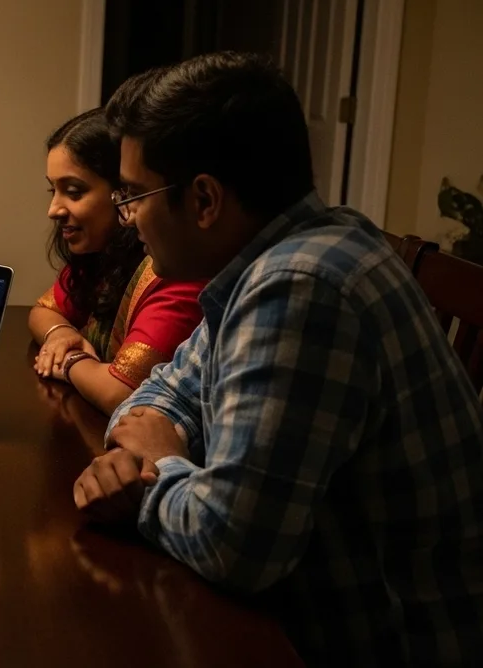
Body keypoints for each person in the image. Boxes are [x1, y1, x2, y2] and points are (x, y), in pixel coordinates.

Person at [73, 52, 483, 666]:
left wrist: (155, 467)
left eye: (134, 196)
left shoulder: (299, 286)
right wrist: (158, 445)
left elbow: (236, 548)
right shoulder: (288, 250)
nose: (128, 220)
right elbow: (163, 390)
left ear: (205, 199)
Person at [28, 108, 205, 416]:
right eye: (52, 190)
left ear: (124, 191)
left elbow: (120, 392)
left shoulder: (173, 267)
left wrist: (68, 361)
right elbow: (43, 311)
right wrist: (59, 333)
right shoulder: (102, 256)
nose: (53, 209)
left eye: (73, 191)